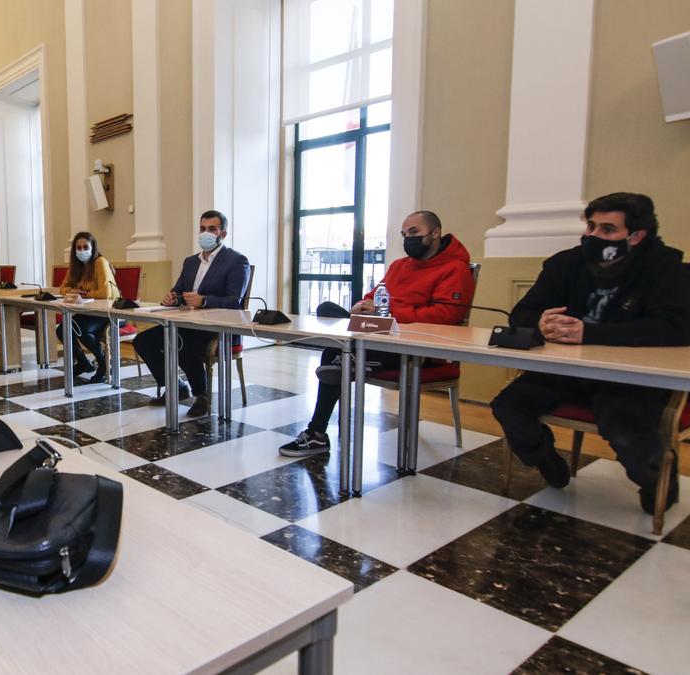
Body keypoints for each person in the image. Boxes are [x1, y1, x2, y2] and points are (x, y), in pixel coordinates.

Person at [491, 192, 690, 513]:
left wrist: (590, 333)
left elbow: (675, 328)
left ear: (637, 236)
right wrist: (540, 323)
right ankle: (546, 460)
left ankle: (656, 481)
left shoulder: (667, 269)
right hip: (565, 371)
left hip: (628, 376)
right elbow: (521, 314)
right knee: (509, 407)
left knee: (623, 426)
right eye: (591, 227)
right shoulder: (566, 263)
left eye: (607, 230)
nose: (593, 236)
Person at [281, 211, 474, 457]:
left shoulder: (455, 269)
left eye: (414, 232)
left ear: (435, 232)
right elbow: (376, 294)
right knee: (328, 311)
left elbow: (445, 316)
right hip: (379, 333)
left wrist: (389, 311)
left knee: (334, 350)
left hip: (414, 347)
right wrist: (363, 305)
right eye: (404, 234)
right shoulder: (399, 266)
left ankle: (317, 432)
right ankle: (351, 360)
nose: (408, 239)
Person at [132, 210, 251, 418]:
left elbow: (235, 302)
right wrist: (171, 298)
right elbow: (178, 291)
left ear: (223, 233)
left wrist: (204, 300)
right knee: (142, 340)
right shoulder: (190, 262)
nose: (206, 233)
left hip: (215, 328)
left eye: (212, 229)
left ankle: (202, 395)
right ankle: (176, 386)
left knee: (180, 342)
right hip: (186, 323)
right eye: (203, 228)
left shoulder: (236, 261)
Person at [54, 231, 120, 384]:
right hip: (89, 312)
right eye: (78, 248)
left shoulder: (100, 262)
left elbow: (105, 293)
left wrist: (83, 293)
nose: (82, 251)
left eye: (85, 247)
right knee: (62, 329)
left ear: (93, 247)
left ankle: (104, 364)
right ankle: (84, 362)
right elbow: (63, 288)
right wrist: (73, 291)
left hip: (110, 312)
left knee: (82, 330)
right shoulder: (76, 266)